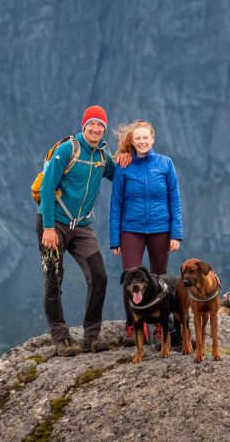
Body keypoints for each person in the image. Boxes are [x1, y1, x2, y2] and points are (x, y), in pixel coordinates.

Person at [37, 104, 127, 356]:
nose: (96, 129)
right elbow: (46, 187)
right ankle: (61, 338)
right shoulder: (68, 150)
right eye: (92, 124)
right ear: (83, 126)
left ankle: (91, 337)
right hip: (53, 223)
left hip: (82, 227)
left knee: (99, 276)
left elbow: (118, 174)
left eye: (101, 125)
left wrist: (130, 159)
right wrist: (47, 227)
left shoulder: (102, 156)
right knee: (54, 279)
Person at [109, 119, 183, 346]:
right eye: (137, 138)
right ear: (132, 141)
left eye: (145, 138)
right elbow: (116, 204)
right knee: (130, 277)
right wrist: (115, 239)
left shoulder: (165, 164)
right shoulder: (124, 166)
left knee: (159, 279)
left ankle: (161, 328)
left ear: (152, 139)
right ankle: (132, 326)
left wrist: (175, 234)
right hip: (131, 229)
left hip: (161, 229)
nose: (141, 141)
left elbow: (175, 200)